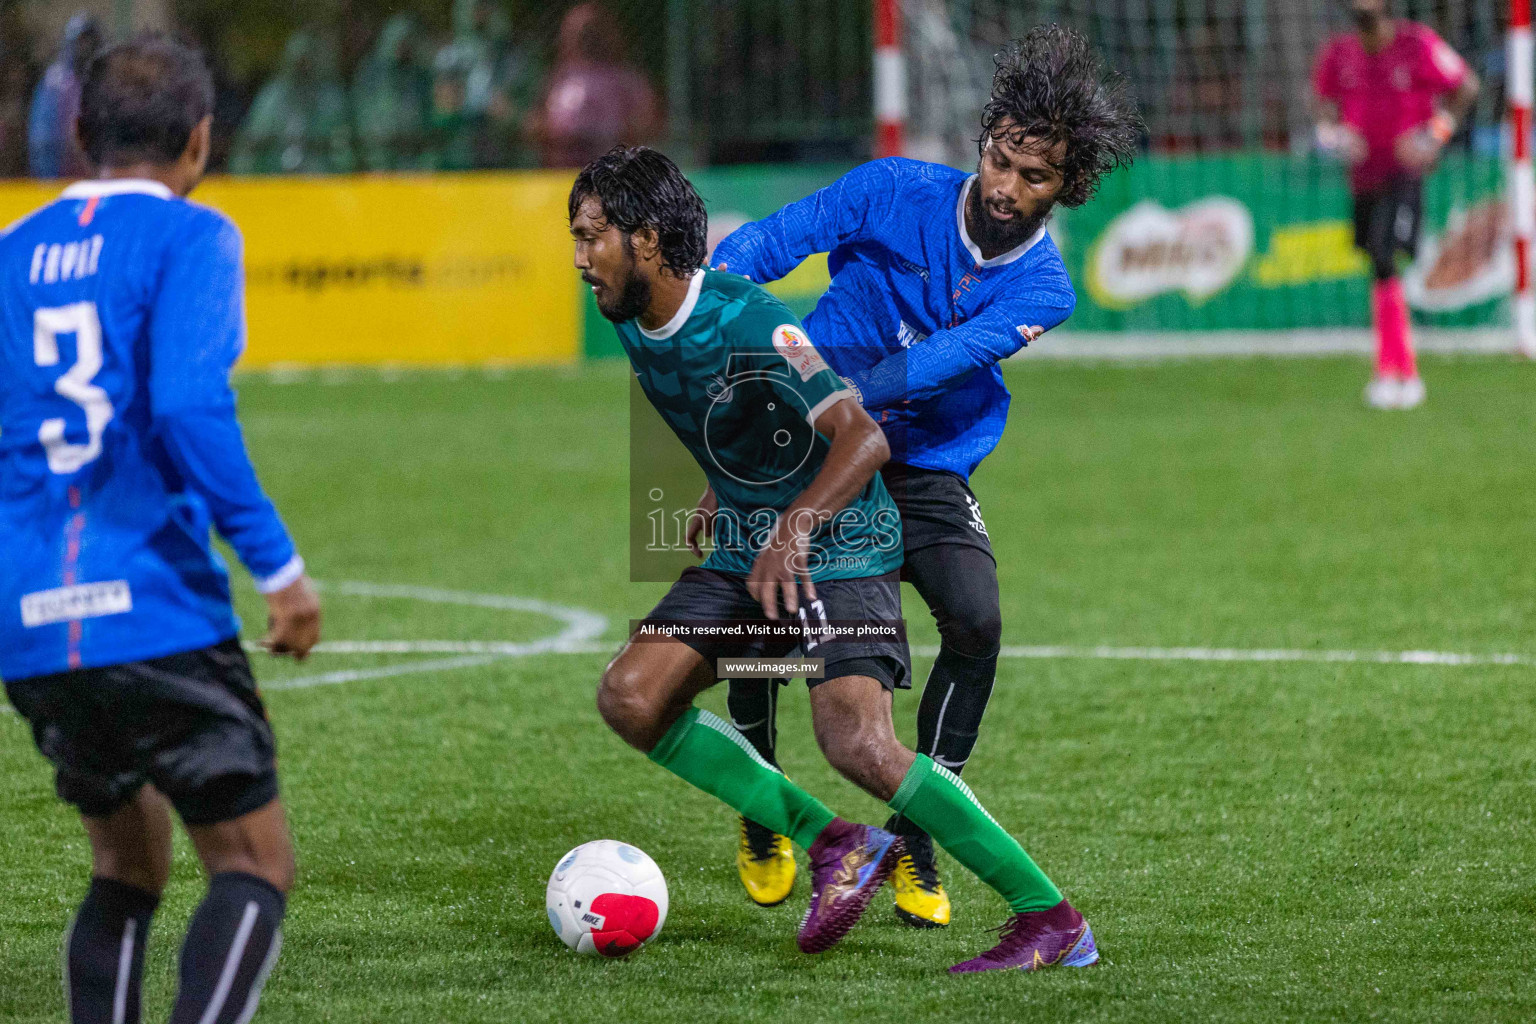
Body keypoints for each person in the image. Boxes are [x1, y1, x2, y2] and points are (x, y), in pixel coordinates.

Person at [574, 145, 1097, 973]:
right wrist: (729, 482)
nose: (577, 258)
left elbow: (863, 434)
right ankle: (834, 844)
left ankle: (1050, 917)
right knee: (632, 698)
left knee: (856, 742)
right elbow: (733, 411)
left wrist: (794, 530)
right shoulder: (638, 321)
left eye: (591, 237)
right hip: (751, 532)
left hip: (844, 533)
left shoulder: (752, 322)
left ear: (643, 241)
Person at [710, 25, 1140, 928]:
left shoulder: (1044, 290)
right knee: (757, 620)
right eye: (1001, 160)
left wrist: (826, 392)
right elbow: (765, 246)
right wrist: (723, 319)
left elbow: (939, 363)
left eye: (1037, 178)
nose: (1008, 189)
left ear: (1070, 187)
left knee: (976, 620)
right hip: (813, 447)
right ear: (982, 142)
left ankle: (917, 828)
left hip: (926, 461)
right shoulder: (890, 189)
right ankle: (762, 802)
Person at [0, 35, 321, 1023]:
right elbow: (186, 404)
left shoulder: (8, 256)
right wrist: (280, 567)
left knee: (126, 865)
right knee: (254, 862)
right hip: (155, 607)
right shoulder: (193, 236)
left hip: (33, 622)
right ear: (199, 138)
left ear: (82, 136)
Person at [1313, 0, 1478, 410]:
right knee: (1377, 263)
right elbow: (1319, 104)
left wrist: (1433, 136)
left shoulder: (1417, 44)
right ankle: (1394, 369)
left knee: (1385, 257)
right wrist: (1332, 136)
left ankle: (1398, 371)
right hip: (1363, 179)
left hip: (1404, 176)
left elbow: (1467, 86)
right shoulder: (1338, 53)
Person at [530, 3, 659, 168]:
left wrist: (609, 137)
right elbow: (536, 123)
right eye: (581, 32)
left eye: (592, 31)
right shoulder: (559, 78)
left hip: (612, 171)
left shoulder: (627, 80)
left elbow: (647, 122)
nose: (588, 39)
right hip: (561, 170)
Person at [431, 0, 539, 169]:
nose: (479, 16)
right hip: (460, 150)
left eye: (484, 8)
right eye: (474, 9)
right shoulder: (449, 58)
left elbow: (527, 111)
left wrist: (510, 112)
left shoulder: (510, 58)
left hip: (500, 147)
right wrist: (450, 105)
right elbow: (441, 110)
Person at [230, 29, 355, 175]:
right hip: (273, 181)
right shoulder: (272, 96)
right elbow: (252, 140)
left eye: (307, 62)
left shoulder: (330, 98)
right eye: (299, 62)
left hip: (321, 182)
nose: (303, 68)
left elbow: (342, 146)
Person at [353, 13, 436, 171]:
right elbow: (361, 117)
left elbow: (430, 118)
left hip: (413, 159)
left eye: (407, 41)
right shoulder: (371, 73)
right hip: (378, 158)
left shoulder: (421, 76)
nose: (402, 46)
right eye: (399, 40)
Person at [27, 12, 100, 178]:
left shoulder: (102, 79)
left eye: (89, 40)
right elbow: (43, 139)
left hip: (93, 178)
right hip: (59, 178)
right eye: (81, 41)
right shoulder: (55, 83)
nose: (85, 47)